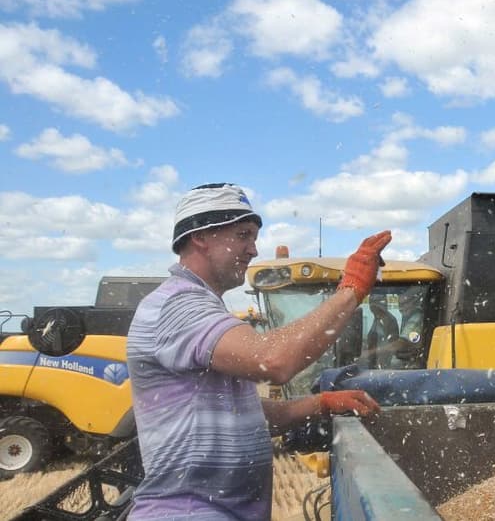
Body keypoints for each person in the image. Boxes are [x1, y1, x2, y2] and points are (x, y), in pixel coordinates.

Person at [126, 183, 390, 520]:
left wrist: (319, 403)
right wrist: (350, 291)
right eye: (243, 235)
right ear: (200, 237)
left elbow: (241, 414)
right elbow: (273, 361)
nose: (253, 250)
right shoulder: (178, 304)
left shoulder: (203, 307)